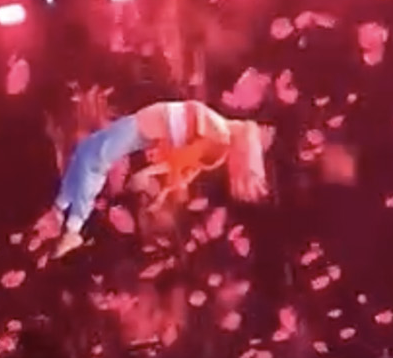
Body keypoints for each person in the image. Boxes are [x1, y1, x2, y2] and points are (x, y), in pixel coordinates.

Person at [46, 99, 275, 260]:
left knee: (93, 159)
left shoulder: (219, 137)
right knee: (88, 151)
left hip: (142, 129)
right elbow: (183, 163)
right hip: (145, 127)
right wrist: (155, 176)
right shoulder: (219, 138)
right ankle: (61, 209)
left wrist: (163, 178)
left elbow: (179, 163)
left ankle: (73, 229)